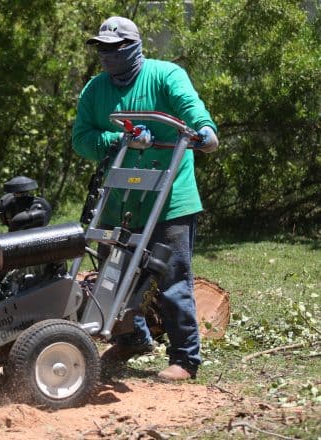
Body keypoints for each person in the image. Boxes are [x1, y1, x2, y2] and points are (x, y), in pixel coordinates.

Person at [71, 16, 219, 381]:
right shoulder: (94, 89)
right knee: (111, 273)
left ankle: (185, 359)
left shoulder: (166, 75)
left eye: (113, 48)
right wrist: (119, 139)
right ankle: (131, 338)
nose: (105, 55)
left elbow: (191, 108)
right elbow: (81, 139)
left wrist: (204, 131)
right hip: (120, 197)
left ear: (133, 47)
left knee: (173, 277)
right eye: (101, 48)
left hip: (169, 197)